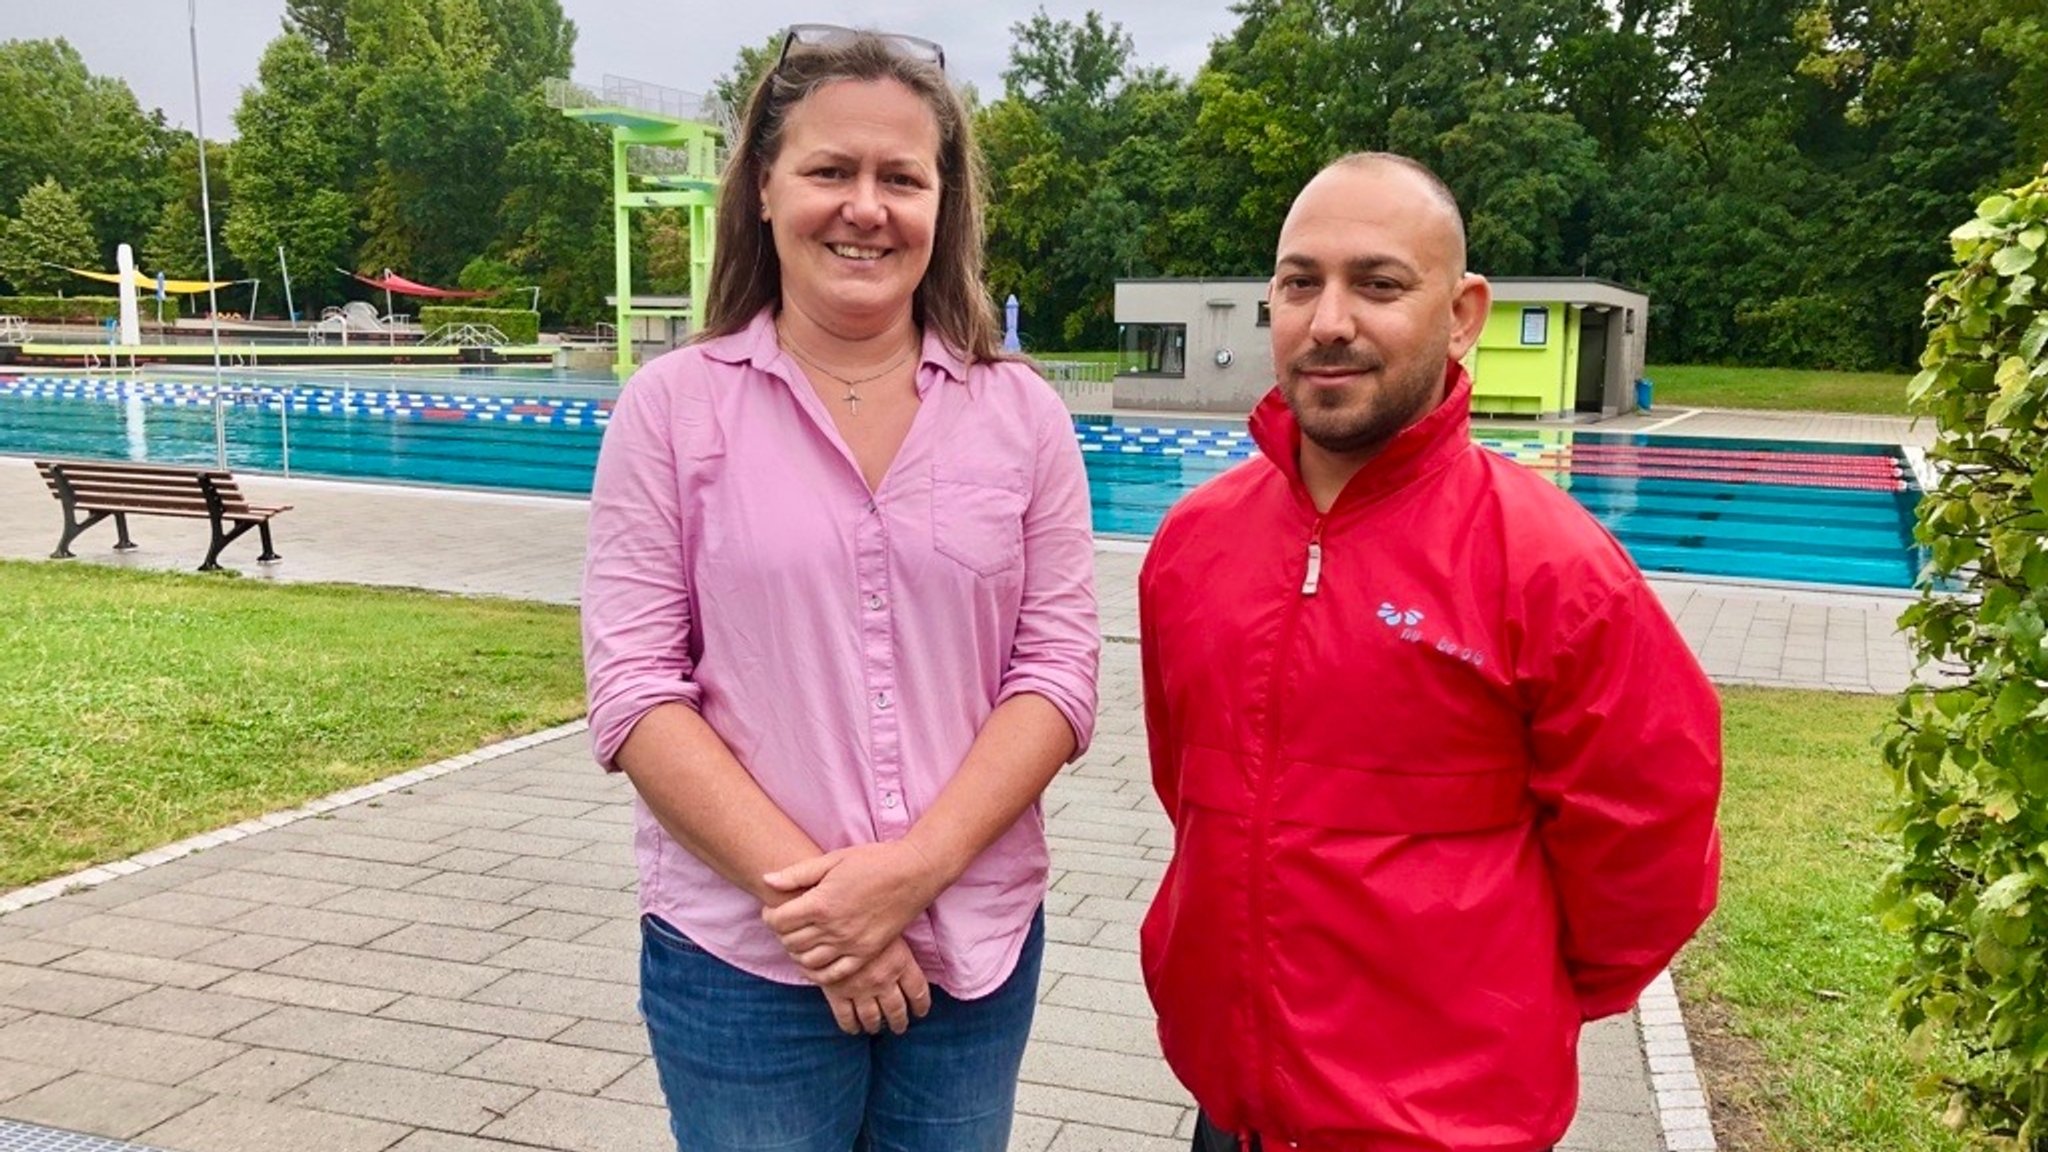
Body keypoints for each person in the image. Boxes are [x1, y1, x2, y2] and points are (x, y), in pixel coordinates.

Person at [1136, 152, 1723, 1152]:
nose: (1328, 322)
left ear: (1460, 315)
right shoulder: (1192, 547)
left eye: (1376, 285)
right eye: (1297, 282)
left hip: (1447, 1126)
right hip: (1229, 1114)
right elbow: (1187, 790)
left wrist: (1507, 1009)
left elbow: (1649, 856)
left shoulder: (1552, 571)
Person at [580, 24, 1098, 1152]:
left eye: (899, 178)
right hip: (742, 964)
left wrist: (908, 877)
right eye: (829, 170)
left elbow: (1055, 677)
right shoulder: (672, 412)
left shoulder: (1021, 420)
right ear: (764, 186)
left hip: (971, 949)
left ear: (939, 204)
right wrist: (829, 917)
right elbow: (633, 691)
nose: (864, 207)